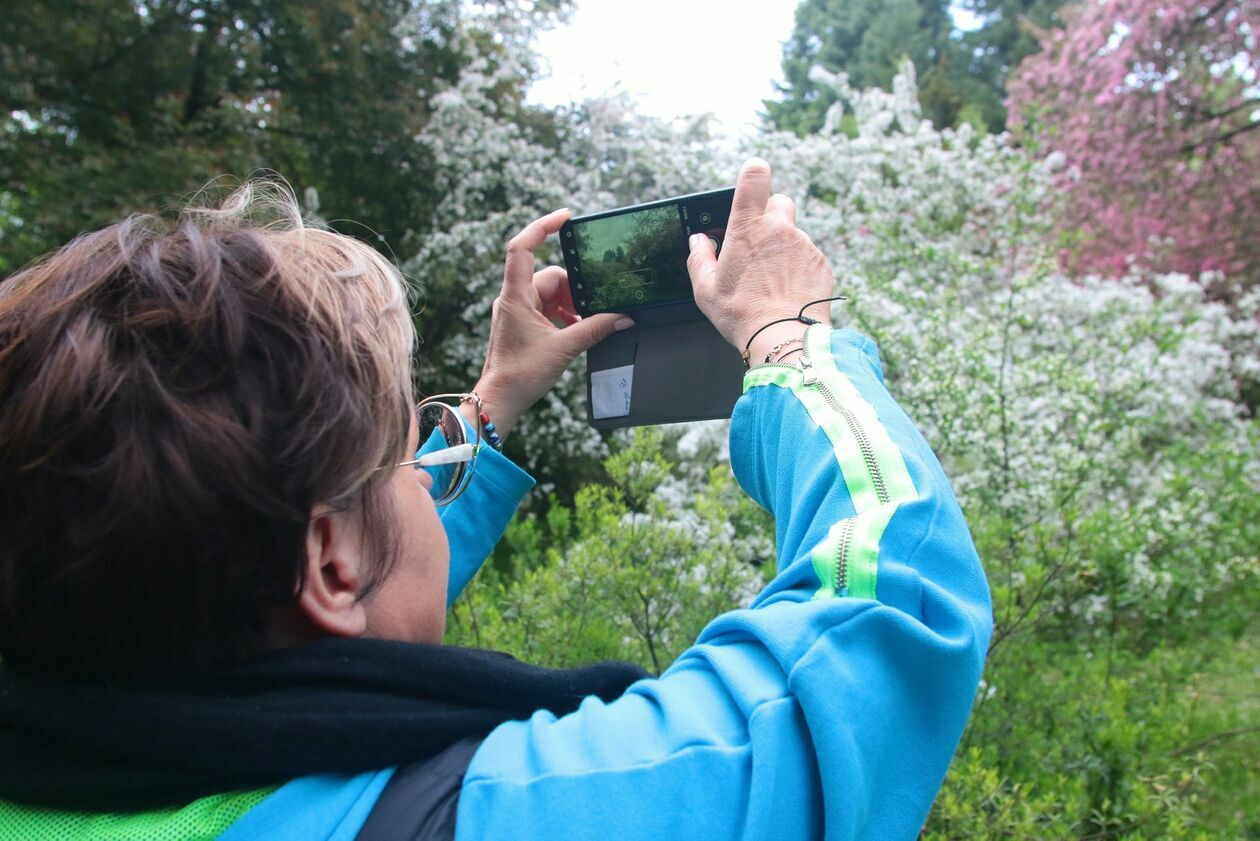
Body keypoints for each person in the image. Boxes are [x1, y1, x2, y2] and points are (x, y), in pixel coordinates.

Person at [0, 160, 991, 839]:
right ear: (332, 557)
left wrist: (488, 404)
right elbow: (889, 614)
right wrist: (793, 340)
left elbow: (312, 606)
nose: (415, 474)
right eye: (401, 448)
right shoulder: (498, 813)